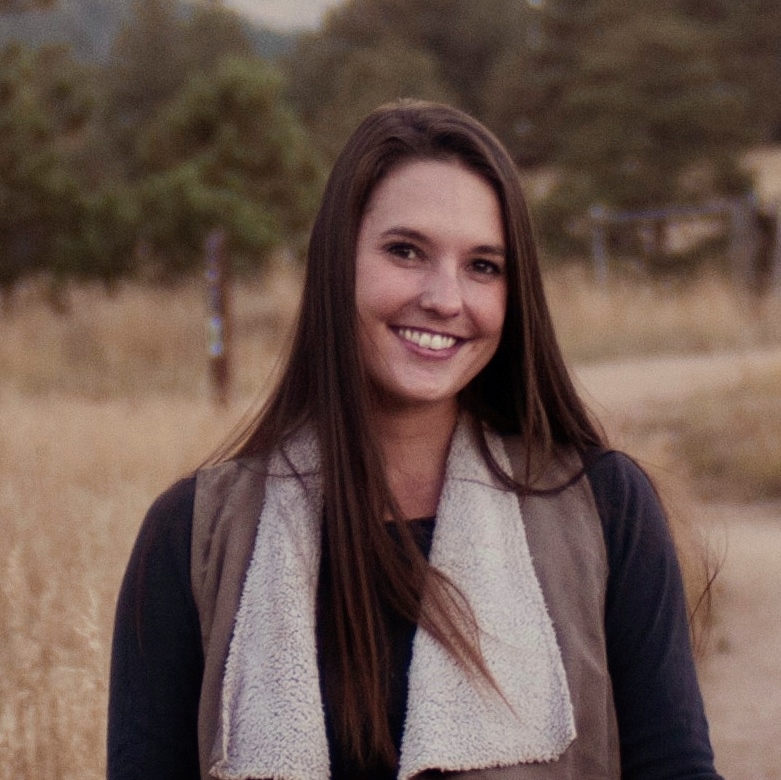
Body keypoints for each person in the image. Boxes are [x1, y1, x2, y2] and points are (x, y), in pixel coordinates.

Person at [108, 100, 723, 780]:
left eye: (483, 266)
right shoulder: (195, 536)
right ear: (337, 262)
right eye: (405, 251)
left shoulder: (600, 509)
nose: (444, 298)